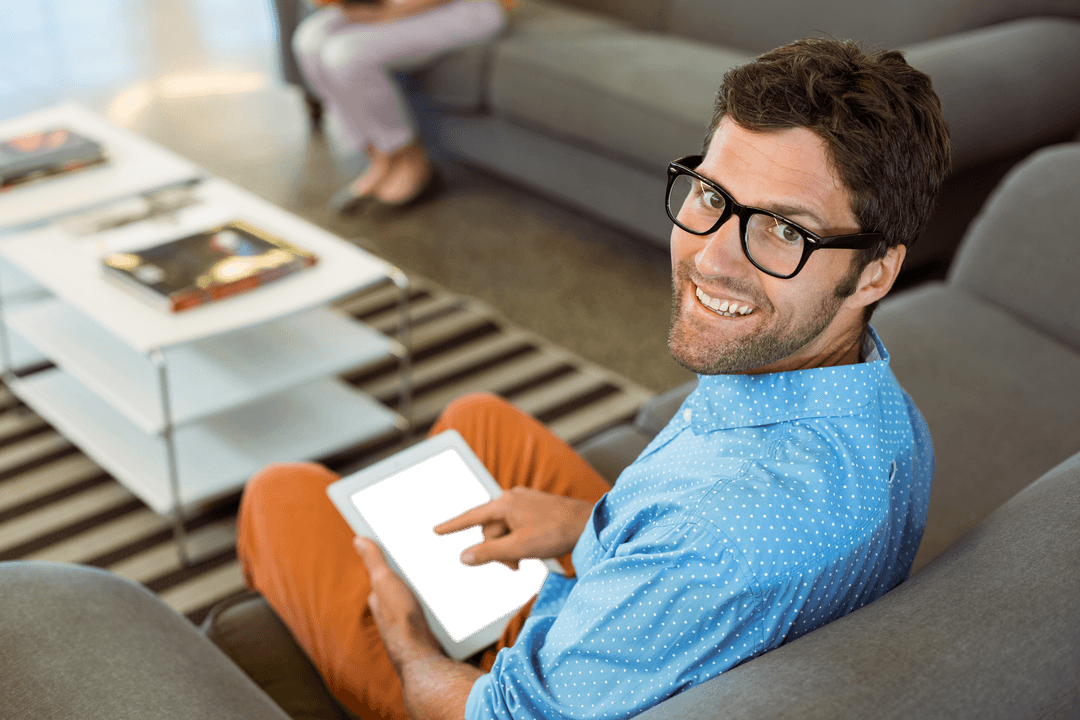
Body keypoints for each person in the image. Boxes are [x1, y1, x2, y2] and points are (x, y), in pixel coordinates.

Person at [237, 37, 950, 720]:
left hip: (523, 698)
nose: (714, 259)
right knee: (477, 418)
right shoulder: (886, 410)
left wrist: (406, 640)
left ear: (877, 272)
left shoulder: (714, 534)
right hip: (652, 616)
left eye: (784, 232)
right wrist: (588, 531)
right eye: (712, 195)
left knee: (280, 495)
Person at [291, 0, 513, 209]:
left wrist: (387, 11)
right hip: (393, 5)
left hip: (469, 7)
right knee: (308, 40)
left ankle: (405, 154)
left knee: (345, 54)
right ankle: (377, 154)